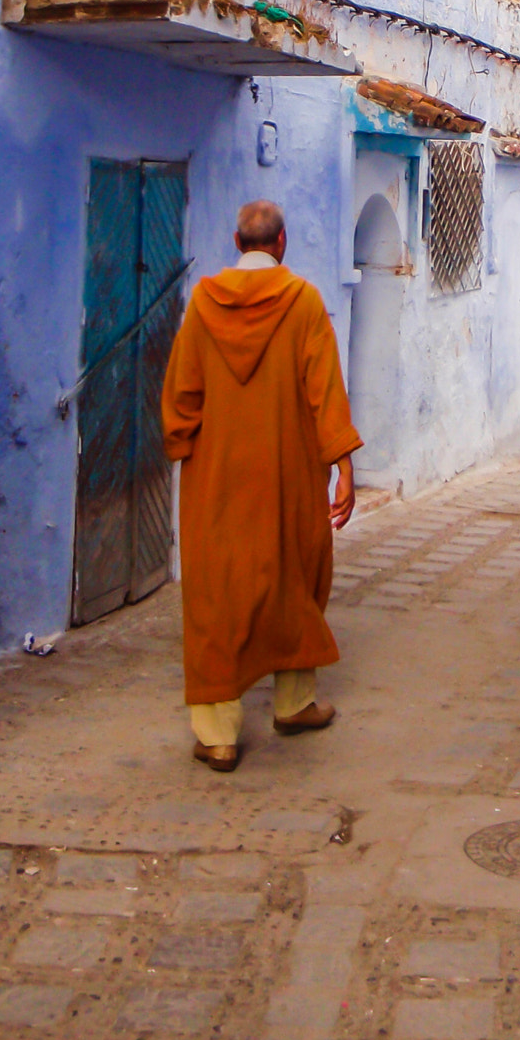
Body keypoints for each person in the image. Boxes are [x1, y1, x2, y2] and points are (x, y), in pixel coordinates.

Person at [161, 200, 360, 773]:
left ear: (236, 240)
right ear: (282, 242)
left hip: (218, 476)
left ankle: (219, 735)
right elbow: (325, 391)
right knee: (293, 575)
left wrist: (182, 445)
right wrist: (344, 468)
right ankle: (294, 704)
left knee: (216, 589)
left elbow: (181, 396)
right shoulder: (302, 303)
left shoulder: (201, 303)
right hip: (288, 473)